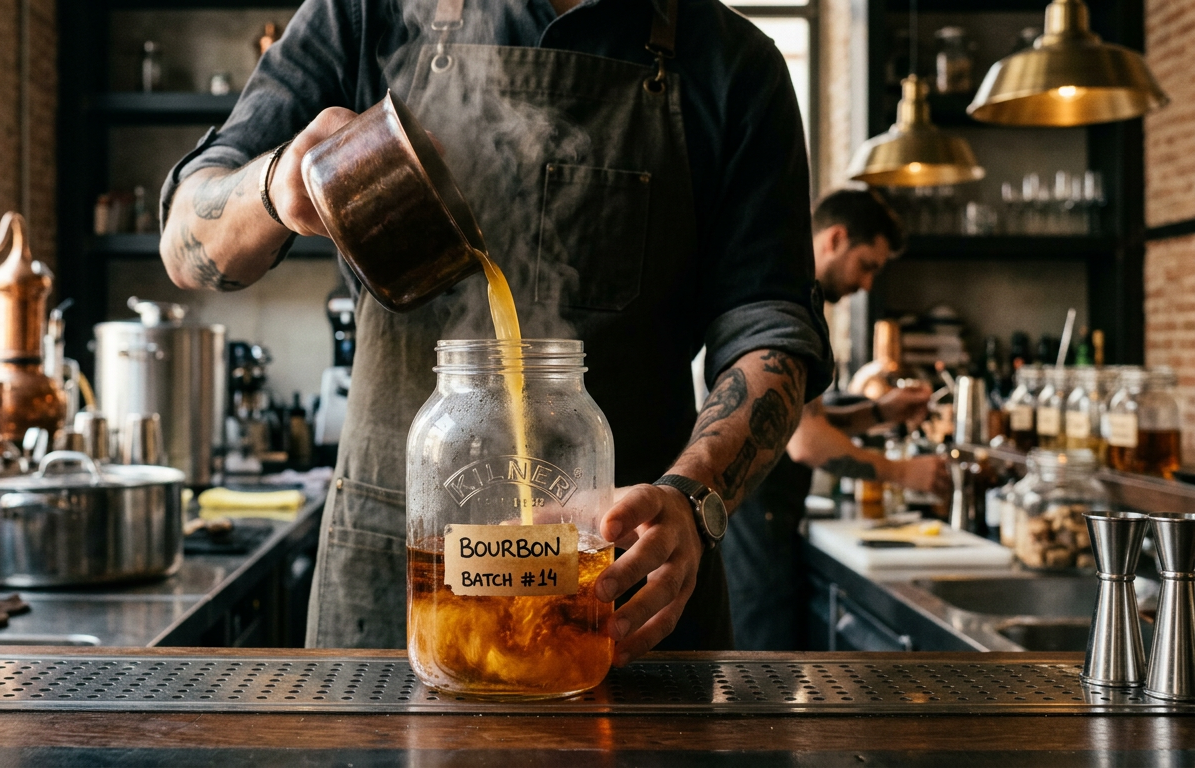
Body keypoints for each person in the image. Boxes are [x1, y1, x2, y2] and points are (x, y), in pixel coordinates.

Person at [158, 0, 834, 662]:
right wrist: (276, 185)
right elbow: (187, 239)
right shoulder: (364, 16)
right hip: (395, 574)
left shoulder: (734, 63)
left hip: (623, 581)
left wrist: (694, 499)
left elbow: (769, 325)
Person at [723, 187, 951, 650]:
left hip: (762, 521)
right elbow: (806, 442)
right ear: (835, 238)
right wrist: (906, 473)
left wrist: (880, 412)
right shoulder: (787, 305)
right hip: (752, 528)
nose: (868, 284)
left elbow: (795, 419)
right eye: (867, 265)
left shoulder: (795, 298)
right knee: (761, 682)